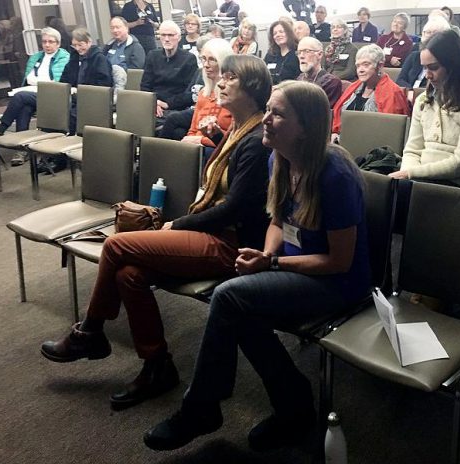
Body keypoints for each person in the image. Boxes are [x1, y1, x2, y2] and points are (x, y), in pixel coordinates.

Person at [143, 80, 370, 453]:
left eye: (278, 114)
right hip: (297, 266)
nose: (265, 119)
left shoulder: (334, 176)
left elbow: (339, 261)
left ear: (306, 127)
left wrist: (273, 263)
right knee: (239, 310)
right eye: (268, 109)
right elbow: (278, 223)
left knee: (230, 298)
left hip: (338, 283)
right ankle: (294, 404)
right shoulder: (277, 158)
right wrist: (265, 258)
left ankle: (201, 408)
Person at [40, 54, 274, 411]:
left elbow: (236, 208)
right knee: (130, 276)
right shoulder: (238, 131)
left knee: (117, 245)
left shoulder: (256, 139)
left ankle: (89, 332)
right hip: (214, 231)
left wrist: (177, 224)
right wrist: (217, 137)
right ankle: (157, 366)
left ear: (253, 88)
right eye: (222, 76)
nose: (221, 82)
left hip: (232, 245)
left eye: (230, 77)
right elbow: (226, 186)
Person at [389, 30, 460, 189]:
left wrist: (410, 175)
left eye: (433, 67)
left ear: (452, 65)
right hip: (420, 180)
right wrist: (407, 177)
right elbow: (412, 151)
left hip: (458, 185)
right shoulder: (423, 100)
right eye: (425, 68)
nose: (427, 75)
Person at [0, 27, 69, 143]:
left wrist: (37, 80)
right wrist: (38, 80)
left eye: (51, 42)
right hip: (35, 93)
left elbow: (52, 82)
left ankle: (1, 128)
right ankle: (22, 147)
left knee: (20, 97)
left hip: (53, 96)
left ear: (58, 43)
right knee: (25, 108)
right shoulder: (36, 57)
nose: (47, 45)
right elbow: (29, 78)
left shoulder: (64, 57)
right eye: (44, 41)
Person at [331, 44, 410, 143]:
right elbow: (337, 116)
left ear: (380, 66)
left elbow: (390, 132)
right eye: (358, 66)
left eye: (366, 64)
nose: (360, 70)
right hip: (343, 140)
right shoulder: (353, 87)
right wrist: (334, 133)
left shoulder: (393, 93)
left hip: (373, 145)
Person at [180, 39, 234, 158]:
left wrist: (201, 141)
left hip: (219, 151)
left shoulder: (234, 97)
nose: (206, 65)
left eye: (212, 60)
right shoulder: (203, 94)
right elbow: (192, 131)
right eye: (203, 59)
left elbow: (233, 141)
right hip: (197, 149)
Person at [140, 21, 198, 123]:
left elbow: (190, 93)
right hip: (154, 104)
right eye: (163, 35)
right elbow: (145, 85)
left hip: (176, 107)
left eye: (171, 35)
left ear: (179, 37)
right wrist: (154, 102)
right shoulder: (152, 56)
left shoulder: (189, 59)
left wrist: (168, 104)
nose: (167, 39)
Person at [60, 28, 113, 135]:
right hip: (74, 96)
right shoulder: (74, 59)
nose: (78, 48)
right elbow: (64, 79)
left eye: (81, 44)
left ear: (89, 42)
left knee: (71, 112)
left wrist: (82, 92)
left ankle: (73, 138)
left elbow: (105, 84)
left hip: (93, 98)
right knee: (57, 107)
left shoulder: (99, 59)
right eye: (75, 45)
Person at [396, 16, 450, 88]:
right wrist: (411, 91)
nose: (431, 36)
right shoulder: (414, 56)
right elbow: (400, 80)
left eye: (435, 33)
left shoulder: (444, 61)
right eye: (428, 32)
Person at [296, 36, 342, 108]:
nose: (301, 56)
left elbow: (323, 112)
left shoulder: (332, 82)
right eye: (299, 52)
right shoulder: (299, 78)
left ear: (319, 55)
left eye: (306, 51)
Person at [264, 20, 300, 84]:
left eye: (281, 32)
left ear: (289, 33)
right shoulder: (270, 55)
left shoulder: (298, 53)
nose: (278, 35)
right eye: (275, 33)